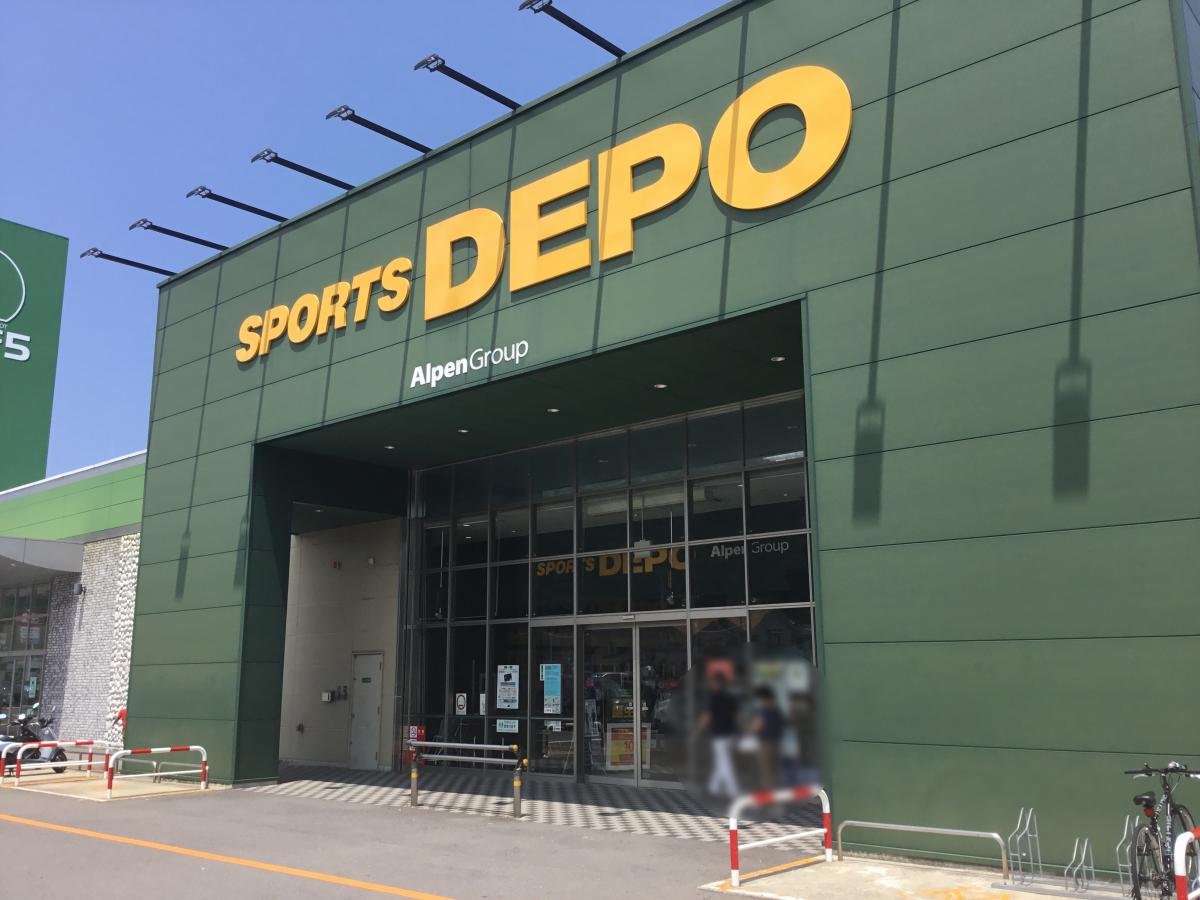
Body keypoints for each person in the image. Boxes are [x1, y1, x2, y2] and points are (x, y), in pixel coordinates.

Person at [695, 670, 739, 798]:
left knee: (725, 763)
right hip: (730, 734)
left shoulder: (714, 697)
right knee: (721, 761)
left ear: (716, 683)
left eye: (712, 682)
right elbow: (736, 716)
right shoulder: (730, 697)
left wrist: (697, 731)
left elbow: (707, 716)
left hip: (719, 735)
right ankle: (712, 788)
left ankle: (734, 791)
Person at [751, 686, 784, 792]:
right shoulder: (777, 711)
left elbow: (757, 727)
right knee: (774, 773)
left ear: (763, 699)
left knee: (766, 773)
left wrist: (749, 729)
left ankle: (769, 797)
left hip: (765, 745)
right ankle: (775, 795)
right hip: (776, 744)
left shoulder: (764, 712)